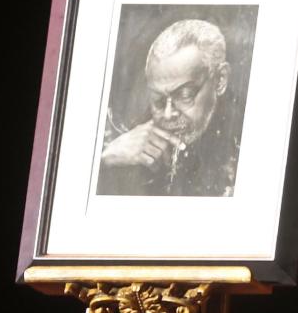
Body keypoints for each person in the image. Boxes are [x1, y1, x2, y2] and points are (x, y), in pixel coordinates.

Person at [97, 19, 239, 197]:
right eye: (158, 100)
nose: (168, 114)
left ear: (220, 80)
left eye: (184, 95)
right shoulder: (133, 143)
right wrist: (104, 160)